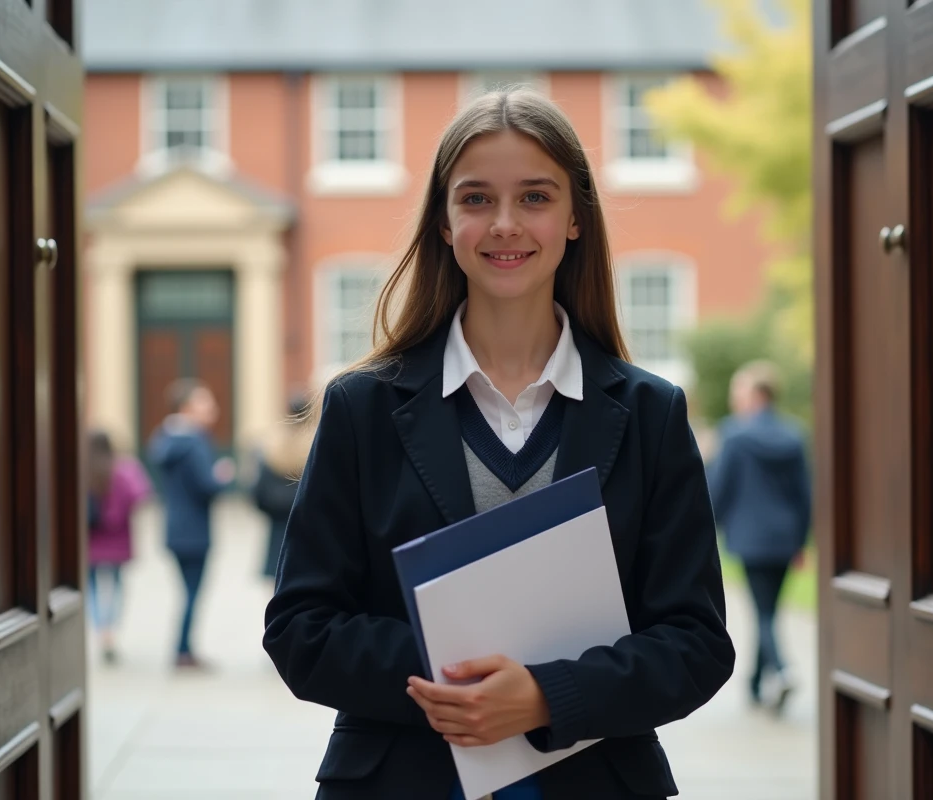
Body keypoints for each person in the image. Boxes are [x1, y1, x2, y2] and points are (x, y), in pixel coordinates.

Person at [263, 89, 735, 800]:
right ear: (445, 224)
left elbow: (695, 644)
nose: (505, 224)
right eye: (477, 198)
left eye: (535, 197)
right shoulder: (361, 408)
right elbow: (302, 630)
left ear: (575, 218)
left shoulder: (649, 413)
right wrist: (463, 687)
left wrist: (549, 696)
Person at [708, 360, 811, 715]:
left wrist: (706, 530)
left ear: (755, 394)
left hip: (750, 539)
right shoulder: (795, 435)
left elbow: (718, 489)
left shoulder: (734, 435)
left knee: (763, 611)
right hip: (784, 539)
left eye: (739, 390)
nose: (735, 398)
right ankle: (754, 684)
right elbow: (804, 494)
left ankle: (783, 671)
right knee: (766, 609)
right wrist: (801, 540)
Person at [148, 379, 236, 670]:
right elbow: (206, 485)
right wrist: (223, 476)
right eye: (205, 402)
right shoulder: (196, 441)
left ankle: (184, 648)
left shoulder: (165, 438)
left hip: (174, 527)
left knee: (186, 592)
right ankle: (183, 650)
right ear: (187, 408)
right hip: (196, 530)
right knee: (192, 593)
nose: (212, 408)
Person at [86, 428, 151, 665]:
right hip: (116, 540)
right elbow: (142, 494)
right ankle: (110, 632)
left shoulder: (82, 468)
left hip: (90, 541)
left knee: (91, 587)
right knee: (115, 586)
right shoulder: (124, 468)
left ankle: (100, 630)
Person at [253, 392, 316, 581]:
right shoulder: (317, 441)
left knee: (277, 581)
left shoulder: (272, 444)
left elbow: (259, 490)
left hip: (278, 523)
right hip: (309, 523)